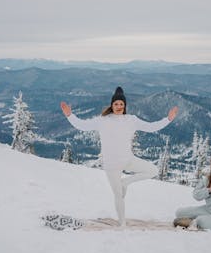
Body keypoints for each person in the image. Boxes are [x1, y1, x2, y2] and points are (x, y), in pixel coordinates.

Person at [61, 86, 178, 227]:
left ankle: (125, 182)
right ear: (112, 105)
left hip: (128, 160)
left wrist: (168, 119)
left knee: (152, 170)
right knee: (119, 195)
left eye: (121, 104)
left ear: (125, 106)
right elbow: (82, 125)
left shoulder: (131, 120)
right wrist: (69, 115)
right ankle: (122, 224)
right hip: (112, 166)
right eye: (116, 104)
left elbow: (151, 127)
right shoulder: (103, 120)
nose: (119, 106)